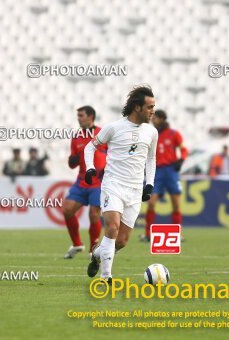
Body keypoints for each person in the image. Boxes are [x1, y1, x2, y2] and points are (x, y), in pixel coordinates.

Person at [84, 86, 158, 284]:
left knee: (122, 241)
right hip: (113, 184)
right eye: (149, 107)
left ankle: (97, 255)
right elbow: (89, 147)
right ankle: (106, 277)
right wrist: (90, 168)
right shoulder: (113, 128)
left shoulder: (151, 132)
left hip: (134, 191)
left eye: (154, 107)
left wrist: (149, 184)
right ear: (137, 107)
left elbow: (151, 159)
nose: (153, 111)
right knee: (112, 227)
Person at [62, 106, 106, 259]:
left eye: (81, 115)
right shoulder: (76, 136)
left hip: (98, 182)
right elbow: (72, 163)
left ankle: (93, 250)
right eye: (78, 115)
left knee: (94, 215)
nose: (78, 118)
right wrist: (73, 159)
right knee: (67, 209)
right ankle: (77, 244)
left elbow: (113, 153)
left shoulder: (102, 133)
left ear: (91, 116)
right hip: (82, 181)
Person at [141, 110, 188, 242]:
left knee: (176, 204)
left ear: (161, 119)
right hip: (157, 172)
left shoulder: (174, 134)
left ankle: (177, 234)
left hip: (171, 171)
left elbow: (183, 149)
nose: (152, 120)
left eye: (155, 118)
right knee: (151, 202)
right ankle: (148, 234)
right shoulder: (151, 135)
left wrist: (181, 160)